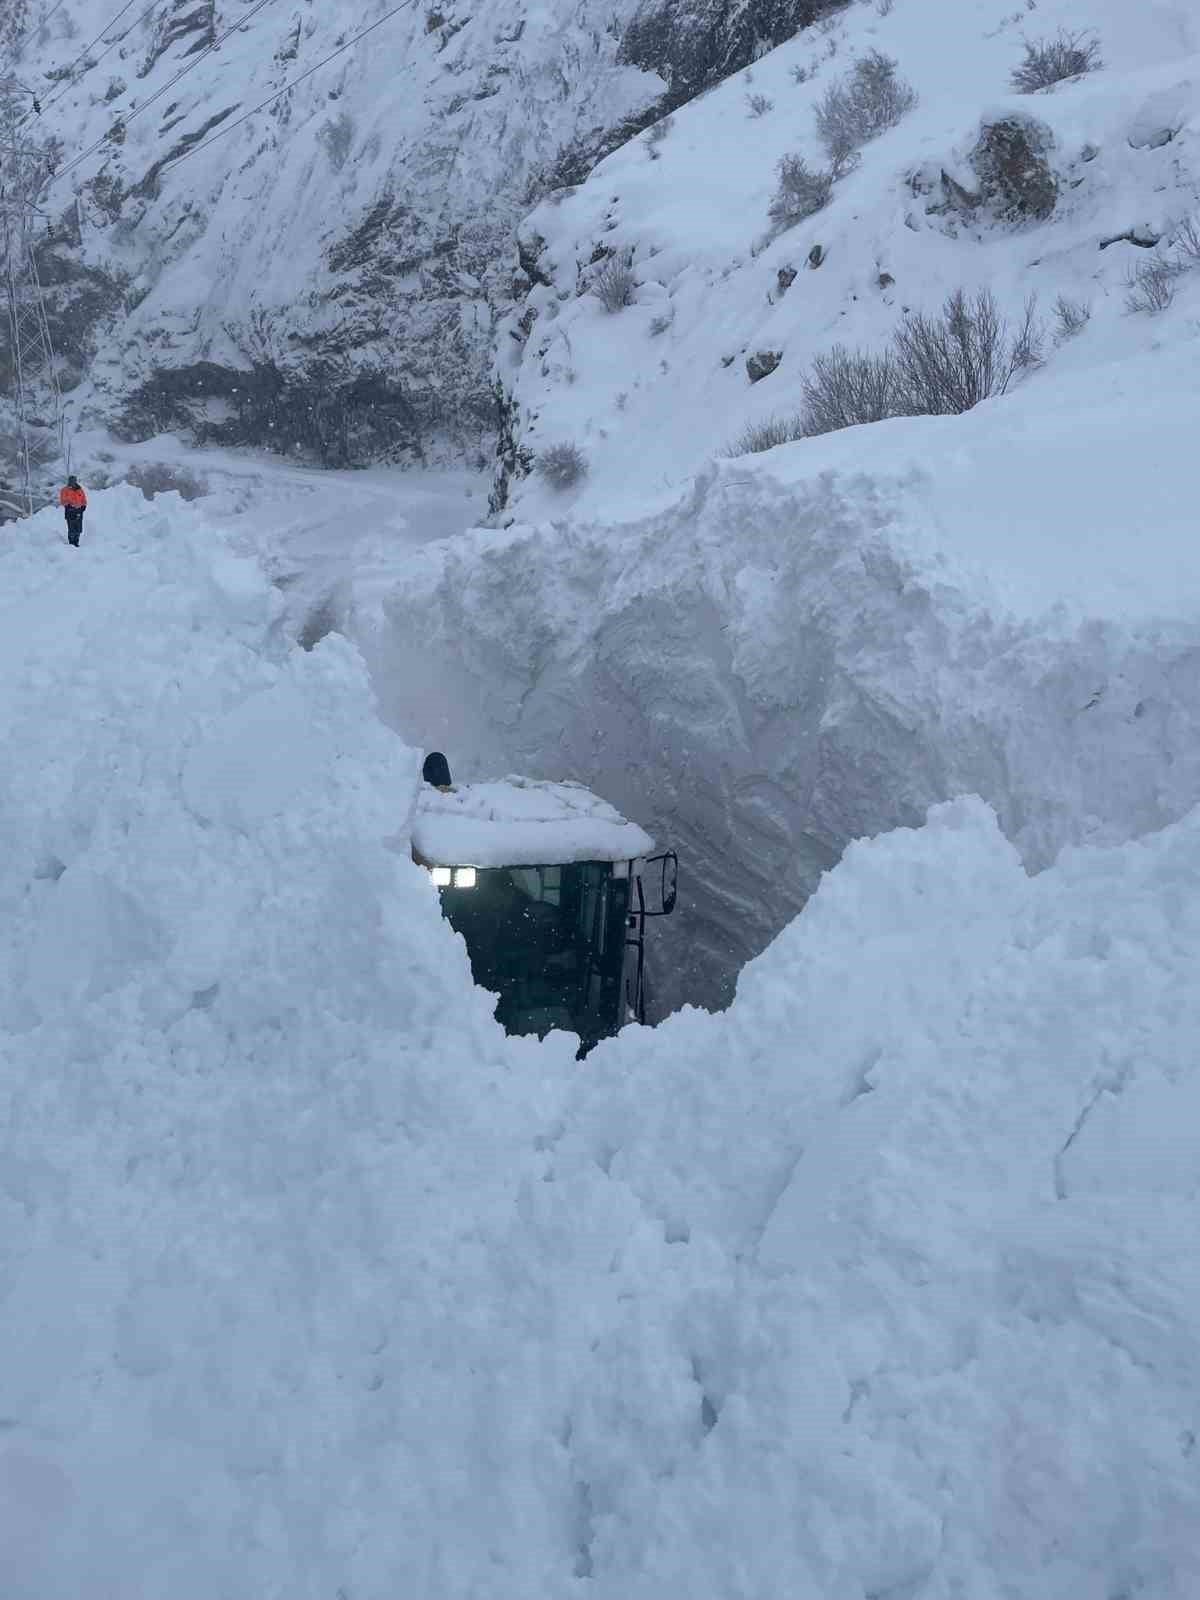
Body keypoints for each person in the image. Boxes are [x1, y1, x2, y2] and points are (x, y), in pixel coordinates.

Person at [59, 475, 86, 546]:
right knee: (72, 529)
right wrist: (68, 506)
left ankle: (76, 542)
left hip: (79, 511)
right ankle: (71, 543)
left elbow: (84, 499)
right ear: (69, 481)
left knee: (79, 529)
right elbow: (63, 501)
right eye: (71, 481)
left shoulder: (80, 489)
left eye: (74, 481)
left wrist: (83, 506)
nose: (73, 483)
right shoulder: (64, 490)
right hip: (70, 511)